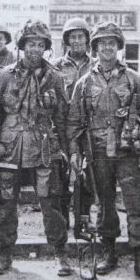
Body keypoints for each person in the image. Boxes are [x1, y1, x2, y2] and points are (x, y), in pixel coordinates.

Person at [67, 21, 140, 280]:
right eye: (102, 43)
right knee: (104, 203)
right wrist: (75, 152)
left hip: (128, 151)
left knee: (135, 204)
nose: (107, 47)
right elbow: (74, 122)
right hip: (98, 153)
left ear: (118, 47)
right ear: (94, 47)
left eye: (112, 43)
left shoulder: (134, 79)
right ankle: (109, 251)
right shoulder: (83, 83)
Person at [0, 20, 72, 276]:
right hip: (9, 148)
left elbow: (62, 117)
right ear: (22, 46)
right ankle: (3, 255)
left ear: (46, 47)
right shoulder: (4, 75)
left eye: (40, 44)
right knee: (6, 203)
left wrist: (67, 151)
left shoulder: (55, 77)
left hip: (43, 146)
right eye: (30, 44)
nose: (35, 49)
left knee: (50, 203)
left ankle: (60, 254)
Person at [52, 17, 93, 227]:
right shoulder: (55, 67)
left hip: (87, 129)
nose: (77, 41)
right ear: (66, 41)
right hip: (61, 127)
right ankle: (62, 220)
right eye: (72, 37)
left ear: (87, 40)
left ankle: (83, 219)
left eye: (81, 37)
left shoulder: (96, 66)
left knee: (85, 175)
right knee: (60, 174)